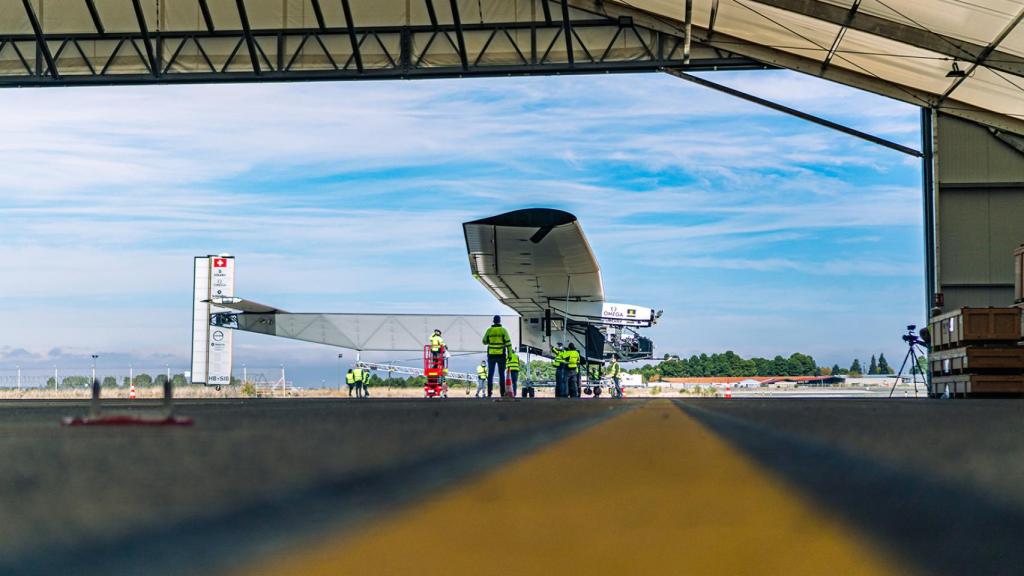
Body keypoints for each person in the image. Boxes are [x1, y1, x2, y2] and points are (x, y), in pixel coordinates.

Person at [482, 315, 511, 398]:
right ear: (500, 321)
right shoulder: (503, 330)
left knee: (490, 374)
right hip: (501, 355)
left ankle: (489, 393)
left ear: (493, 321)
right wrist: (510, 354)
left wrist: (490, 341)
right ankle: (502, 393)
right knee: (501, 374)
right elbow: (508, 343)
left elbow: (484, 341)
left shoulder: (489, 330)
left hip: (491, 355)